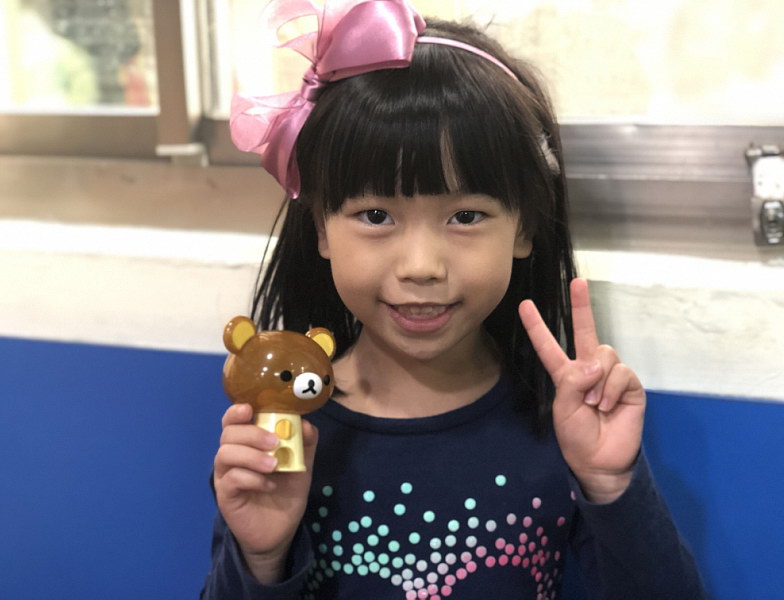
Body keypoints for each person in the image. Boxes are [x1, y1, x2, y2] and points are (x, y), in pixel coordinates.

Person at [201, 0, 706, 598]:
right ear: (321, 230)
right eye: (375, 215)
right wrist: (261, 558)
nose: (421, 266)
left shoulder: (564, 423)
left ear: (524, 228)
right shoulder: (285, 428)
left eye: (465, 215)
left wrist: (610, 485)